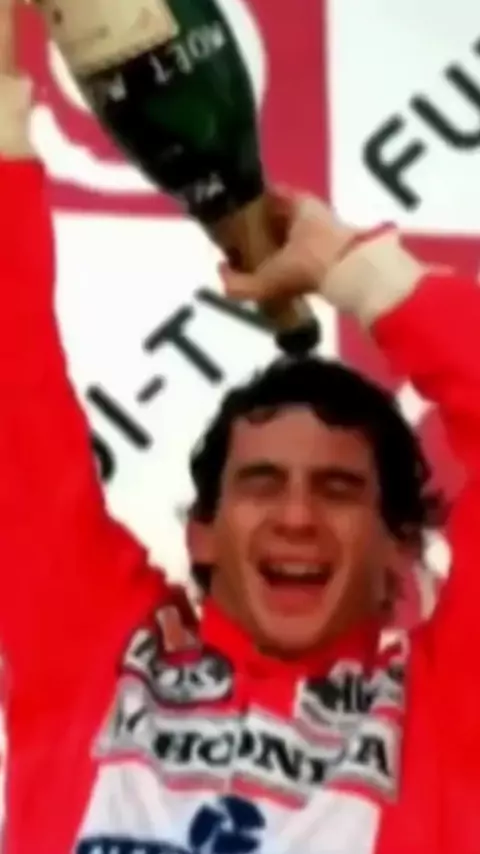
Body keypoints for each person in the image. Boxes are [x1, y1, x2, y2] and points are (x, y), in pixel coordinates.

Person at [2, 5, 480, 854]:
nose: (296, 516)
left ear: (400, 551)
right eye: (261, 483)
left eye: (339, 490)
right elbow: (13, 395)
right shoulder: (97, 661)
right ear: (201, 533)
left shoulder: (447, 729)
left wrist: (364, 277)